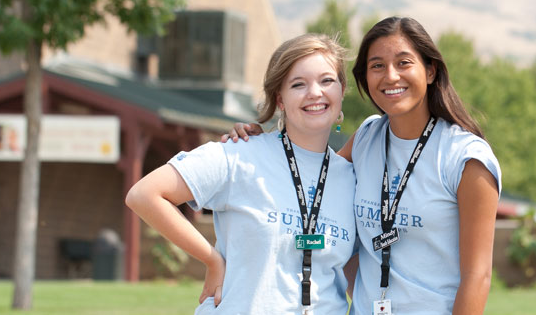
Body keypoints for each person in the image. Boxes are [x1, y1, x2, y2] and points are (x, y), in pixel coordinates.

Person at [224, 17, 501, 315]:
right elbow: (311, 179)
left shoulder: (466, 158)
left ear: (431, 71)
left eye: (404, 63)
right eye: (377, 66)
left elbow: (478, 276)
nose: (391, 76)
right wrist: (258, 145)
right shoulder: (367, 138)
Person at [125, 33, 356, 314]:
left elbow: (349, 270)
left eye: (327, 80)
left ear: (342, 90)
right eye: (298, 84)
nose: (315, 93)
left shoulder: (352, 178)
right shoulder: (241, 153)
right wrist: (211, 260)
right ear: (279, 99)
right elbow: (144, 194)